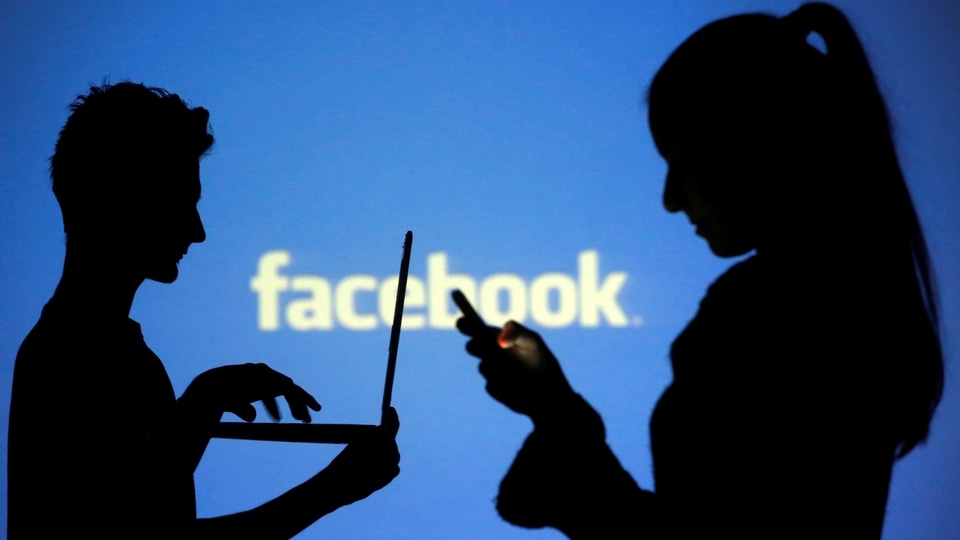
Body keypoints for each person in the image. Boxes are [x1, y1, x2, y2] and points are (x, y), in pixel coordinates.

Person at [457, 3, 943, 538]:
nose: (670, 199)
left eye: (680, 161)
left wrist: (558, 418)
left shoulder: (764, 316)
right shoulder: (858, 302)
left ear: (745, 150)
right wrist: (556, 411)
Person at [8, 81, 400, 538]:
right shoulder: (82, 358)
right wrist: (331, 489)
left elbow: (149, 503)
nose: (197, 232)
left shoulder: (77, 347)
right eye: (181, 204)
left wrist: (204, 400)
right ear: (123, 201)